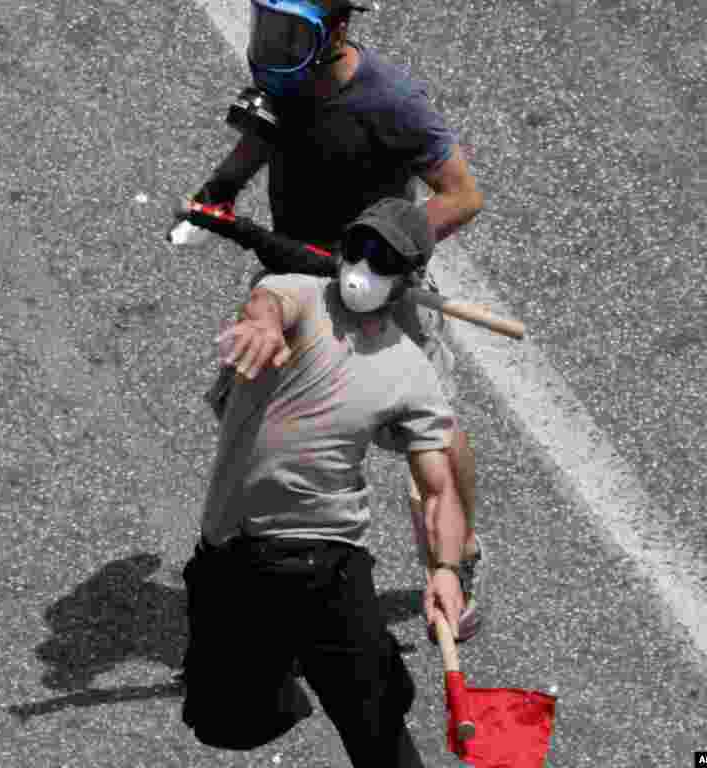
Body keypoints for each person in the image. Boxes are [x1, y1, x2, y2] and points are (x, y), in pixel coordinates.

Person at [188, 0, 486, 640]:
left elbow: (462, 195)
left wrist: (386, 250)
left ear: (337, 31)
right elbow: (261, 137)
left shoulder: (393, 101)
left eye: (287, 31)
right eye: (265, 23)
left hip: (382, 286)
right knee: (254, 424)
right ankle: (270, 566)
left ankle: (456, 563)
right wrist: (217, 193)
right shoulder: (284, 76)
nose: (270, 43)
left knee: (433, 432)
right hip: (298, 282)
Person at [181, 199, 466, 766]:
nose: (363, 264)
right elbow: (268, 302)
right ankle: (329, 667)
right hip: (233, 554)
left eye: (384, 258)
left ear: (407, 280)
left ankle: (366, 676)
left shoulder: (411, 370)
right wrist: (260, 324)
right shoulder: (303, 296)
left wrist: (446, 569)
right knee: (222, 724)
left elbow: (439, 489)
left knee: (379, 735)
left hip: (325, 562)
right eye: (358, 245)